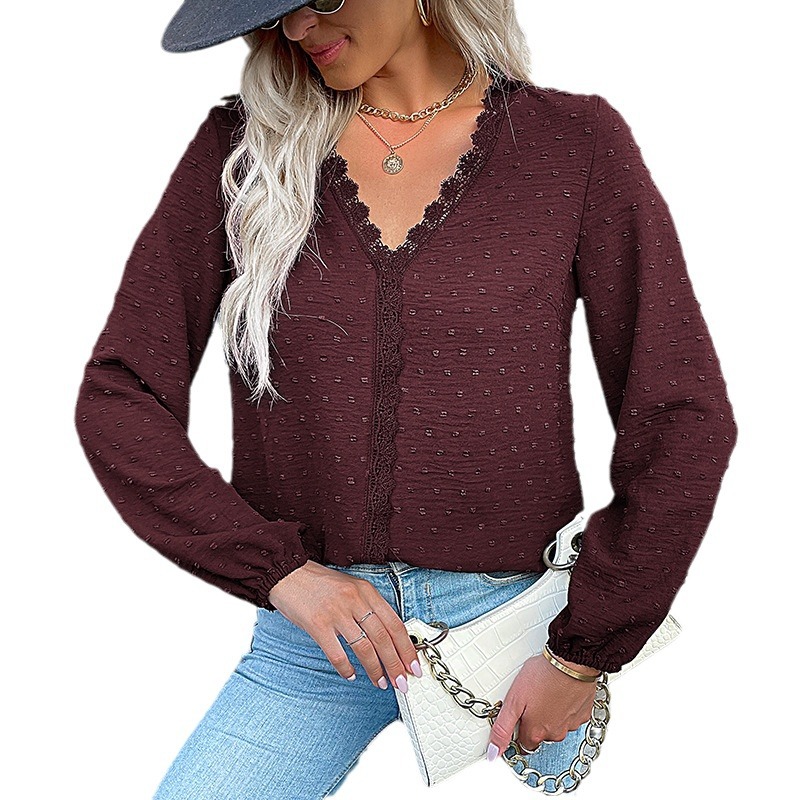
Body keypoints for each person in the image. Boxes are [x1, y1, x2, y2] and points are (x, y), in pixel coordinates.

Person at [73, 1, 738, 797]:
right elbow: (119, 393)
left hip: (518, 640)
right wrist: (280, 572)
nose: (297, 30)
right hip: (313, 646)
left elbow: (681, 413)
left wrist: (584, 652)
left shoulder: (573, 144)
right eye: (275, 11)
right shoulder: (243, 148)